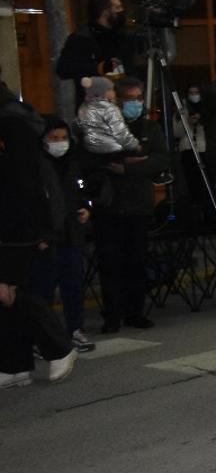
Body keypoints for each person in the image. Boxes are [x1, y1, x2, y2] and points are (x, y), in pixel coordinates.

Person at [0, 91, 77, 388]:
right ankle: (14, 363)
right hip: (14, 224)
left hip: (15, 228)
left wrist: (40, 231)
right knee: (7, 299)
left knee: (12, 293)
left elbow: (28, 186)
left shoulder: (12, 126)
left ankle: (58, 346)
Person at [88, 77, 167, 333]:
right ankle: (113, 314)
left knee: (136, 262)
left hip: (139, 205)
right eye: (128, 99)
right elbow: (99, 158)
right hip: (109, 206)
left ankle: (135, 312)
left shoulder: (149, 127)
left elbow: (161, 159)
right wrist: (130, 161)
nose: (134, 104)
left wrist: (131, 167)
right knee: (111, 263)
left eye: (138, 99)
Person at [32, 118, 94, 352]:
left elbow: (82, 191)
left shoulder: (73, 163)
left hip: (72, 233)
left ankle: (75, 330)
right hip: (47, 236)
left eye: (63, 138)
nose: (60, 143)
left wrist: (86, 209)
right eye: (54, 139)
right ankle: (44, 338)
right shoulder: (37, 165)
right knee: (44, 288)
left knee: (73, 285)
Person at [56, 0, 136, 104]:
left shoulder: (123, 37)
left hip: (121, 104)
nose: (122, 11)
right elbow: (63, 69)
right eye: (117, 8)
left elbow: (130, 70)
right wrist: (98, 68)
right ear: (105, 12)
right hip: (92, 107)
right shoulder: (80, 39)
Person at [76, 76, 140, 156]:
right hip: (111, 149)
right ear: (102, 92)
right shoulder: (109, 108)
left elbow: (78, 126)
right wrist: (134, 145)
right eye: (111, 90)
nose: (114, 92)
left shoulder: (84, 107)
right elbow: (120, 131)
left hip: (90, 148)